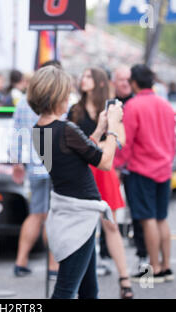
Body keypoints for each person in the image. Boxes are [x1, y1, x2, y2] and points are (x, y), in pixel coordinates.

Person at [29, 65, 123, 299]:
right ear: (57, 95)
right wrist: (113, 129)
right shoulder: (65, 128)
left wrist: (100, 127)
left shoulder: (39, 129)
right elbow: (104, 162)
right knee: (65, 291)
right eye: (67, 93)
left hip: (71, 212)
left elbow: (75, 154)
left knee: (89, 290)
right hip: (78, 216)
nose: (70, 98)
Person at [68, 67, 133, 299]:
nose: (83, 79)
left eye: (87, 76)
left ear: (98, 81)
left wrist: (103, 142)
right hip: (83, 171)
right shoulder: (75, 110)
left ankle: (124, 279)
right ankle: (76, 280)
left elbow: (122, 139)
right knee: (81, 228)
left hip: (104, 172)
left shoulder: (110, 109)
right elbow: (72, 144)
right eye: (82, 75)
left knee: (111, 226)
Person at [114, 64, 176, 284]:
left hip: (141, 169)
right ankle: (166, 266)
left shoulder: (133, 106)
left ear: (134, 82)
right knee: (161, 218)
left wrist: (117, 164)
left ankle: (155, 268)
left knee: (147, 219)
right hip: (164, 168)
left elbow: (127, 141)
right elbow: (172, 140)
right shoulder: (165, 105)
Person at [10, 60, 60, 279]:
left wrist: (17, 162)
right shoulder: (58, 102)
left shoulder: (24, 102)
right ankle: (53, 267)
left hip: (34, 164)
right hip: (57, 165)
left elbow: (16, 135)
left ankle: (21, 261)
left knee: (36, 214)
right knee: (53, 215)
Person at [112, 65, 148, 270]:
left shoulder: (137, 104)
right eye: (120, 80)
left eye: (128, 79)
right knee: (110, 210)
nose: (124, 83)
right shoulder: (107, 103)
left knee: (139, 213)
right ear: (114, 82)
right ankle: (106, 253)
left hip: (135, 166)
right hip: (112, 163)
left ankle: (143, 257)